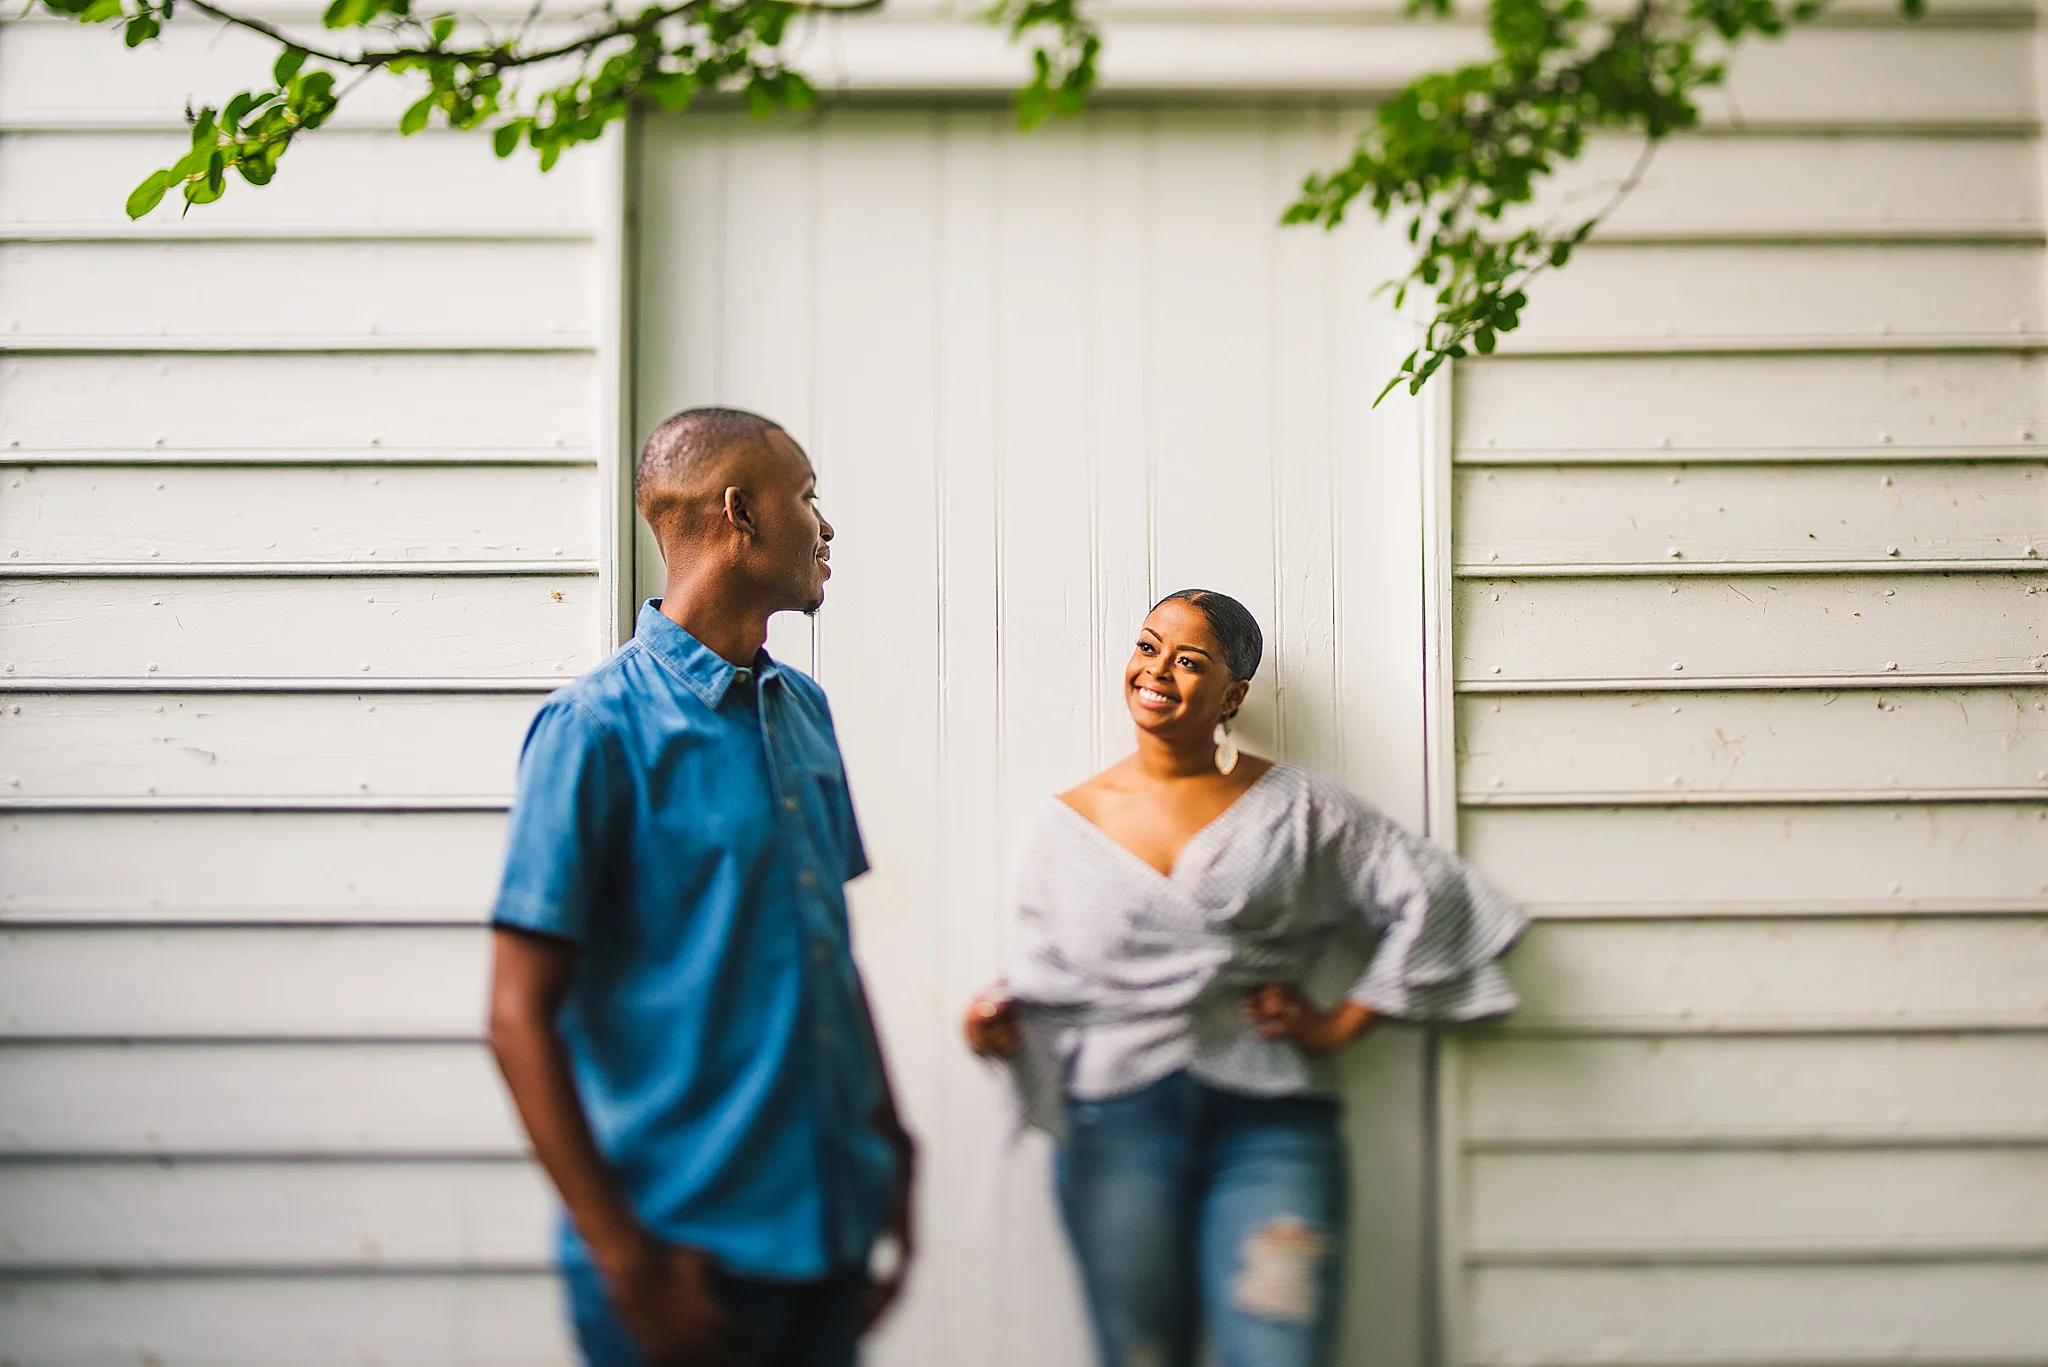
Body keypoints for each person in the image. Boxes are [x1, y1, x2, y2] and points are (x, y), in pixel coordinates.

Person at [962, 589, 1524, 1367]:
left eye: (1190, 660)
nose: (1158, 670)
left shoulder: (1296, 808)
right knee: (1139, 1353)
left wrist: (1342, 1020)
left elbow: (1437, 896)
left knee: (1280, 1350)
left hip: (1271, 1128)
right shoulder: (1070, 826)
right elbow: (1042, 976)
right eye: (1149, 646)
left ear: (1233, 693)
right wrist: (997, 1024)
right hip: (1116, 1125)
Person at [488, 407, 916, 1367]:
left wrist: (891, 1146)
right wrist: (625, 1258)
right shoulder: (592, 730)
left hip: (824, 1235)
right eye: (808, 497)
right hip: (679, 1256)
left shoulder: (801, 708)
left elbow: (824, 956)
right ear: (741, 514)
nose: (827, 526)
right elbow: (517, 1016)